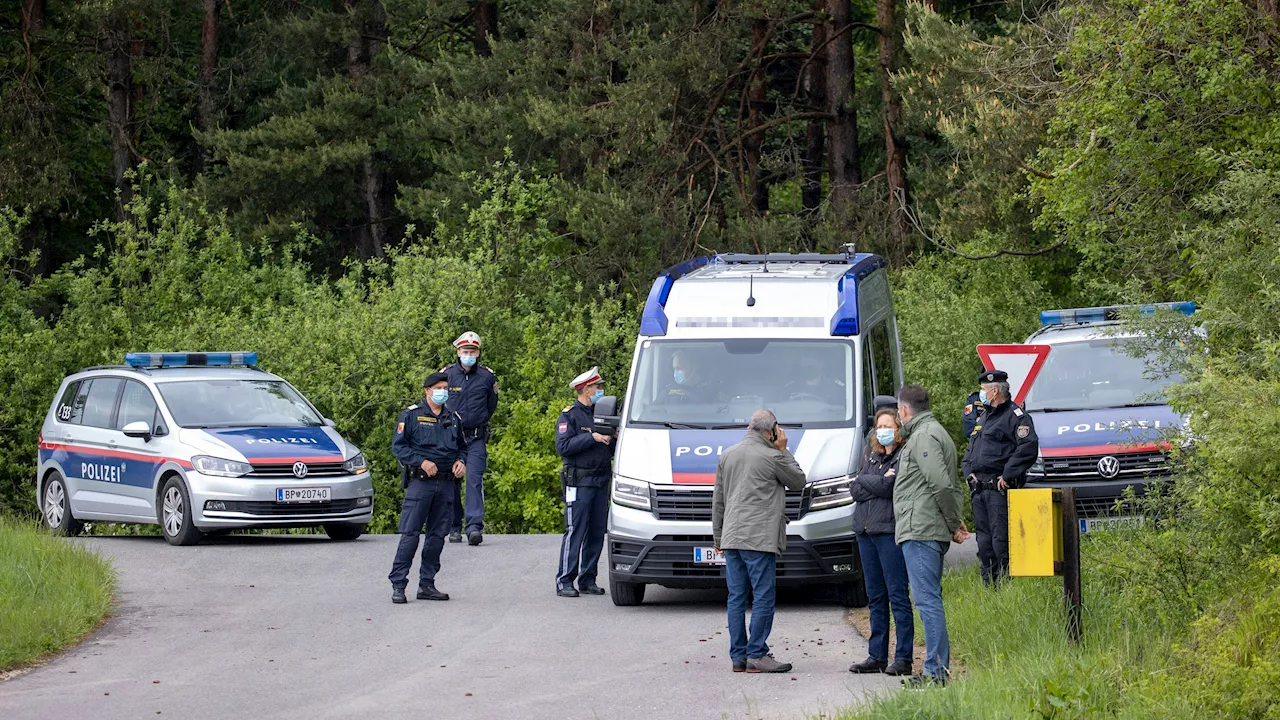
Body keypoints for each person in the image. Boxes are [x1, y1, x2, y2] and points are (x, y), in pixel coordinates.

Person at [712, 409, 807, 674]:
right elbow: (798, 481)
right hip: (759, 538)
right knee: (763, 596)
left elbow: (718, 499)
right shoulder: (773, 456)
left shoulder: (728, 455)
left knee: (736, 597)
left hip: (731, 537)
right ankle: (757, 653)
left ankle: (738, 657)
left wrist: (718, 536)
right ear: (772, 431)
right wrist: (784, 450)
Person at [893, 384, 969, 687]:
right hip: (924, 526)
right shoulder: (934, 432)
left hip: (921, 528)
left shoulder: (924, 435)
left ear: (903, 410)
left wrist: (953, 522)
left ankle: (936, 673)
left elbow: (940, 484)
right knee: (927, 599)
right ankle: (935, 670)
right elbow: (948, 482)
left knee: (927, 601)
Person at [388, 372, 466, 604]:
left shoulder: (453, 418)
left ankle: (427, 584)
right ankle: (399, 584)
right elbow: (398, 447)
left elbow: (463, 447)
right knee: (411, 535)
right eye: (438, 387)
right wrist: (421, 461)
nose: (443, 391)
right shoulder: (411, 416)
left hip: (446, 484)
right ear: (427, 391)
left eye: (446, 387)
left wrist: (461, 461)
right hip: (420, 483)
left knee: (436, 537)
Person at [848, 407, 914, 677]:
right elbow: (854, 489)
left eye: (889, 425)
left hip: (889, 532)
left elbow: (889, 488)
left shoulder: (903, 456)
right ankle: (876, 655)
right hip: (865, 532)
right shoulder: (872, 457)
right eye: (879, 426)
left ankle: (903, 658)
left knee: (897, 595)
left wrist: (866, 482)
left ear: (898, 430)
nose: (883, 430)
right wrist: (870, 481)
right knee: (875, 597)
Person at [962, 369, 1039, 588]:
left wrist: (1008, 474)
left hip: (999, 490)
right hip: (979, 490)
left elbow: (1028, 447)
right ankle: (989, 589)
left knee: (1000, 542)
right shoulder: (984, 416)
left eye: (984, 390)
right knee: (984, 544)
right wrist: (969, 473)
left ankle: (1006, 588)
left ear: (995, 391)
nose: (982, 394)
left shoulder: (1015, 416)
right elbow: (971, 451)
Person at [554, 366, 614, 598]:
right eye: (597, 387)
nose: (601, 391)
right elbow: (563, 446)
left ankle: (588, 579)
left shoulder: (602, 413)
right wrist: (591, 437)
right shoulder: (569, 415)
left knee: (597, 532)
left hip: (600, 481)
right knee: (575, 531)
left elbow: (610, 447)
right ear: (587, 389)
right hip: (579, 482)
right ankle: (564, 580)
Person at [442, 331, 499, 546]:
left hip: (476, 438)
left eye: (472, 351)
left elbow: (491, 405)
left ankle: (474, 527)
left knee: (474, 479)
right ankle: (454, 526)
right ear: (458, 351)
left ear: (478, 352)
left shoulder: (487, 377)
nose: (469, 354)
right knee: (452, 481)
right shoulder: (447, 375)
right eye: (465, 351)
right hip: (452, 439)